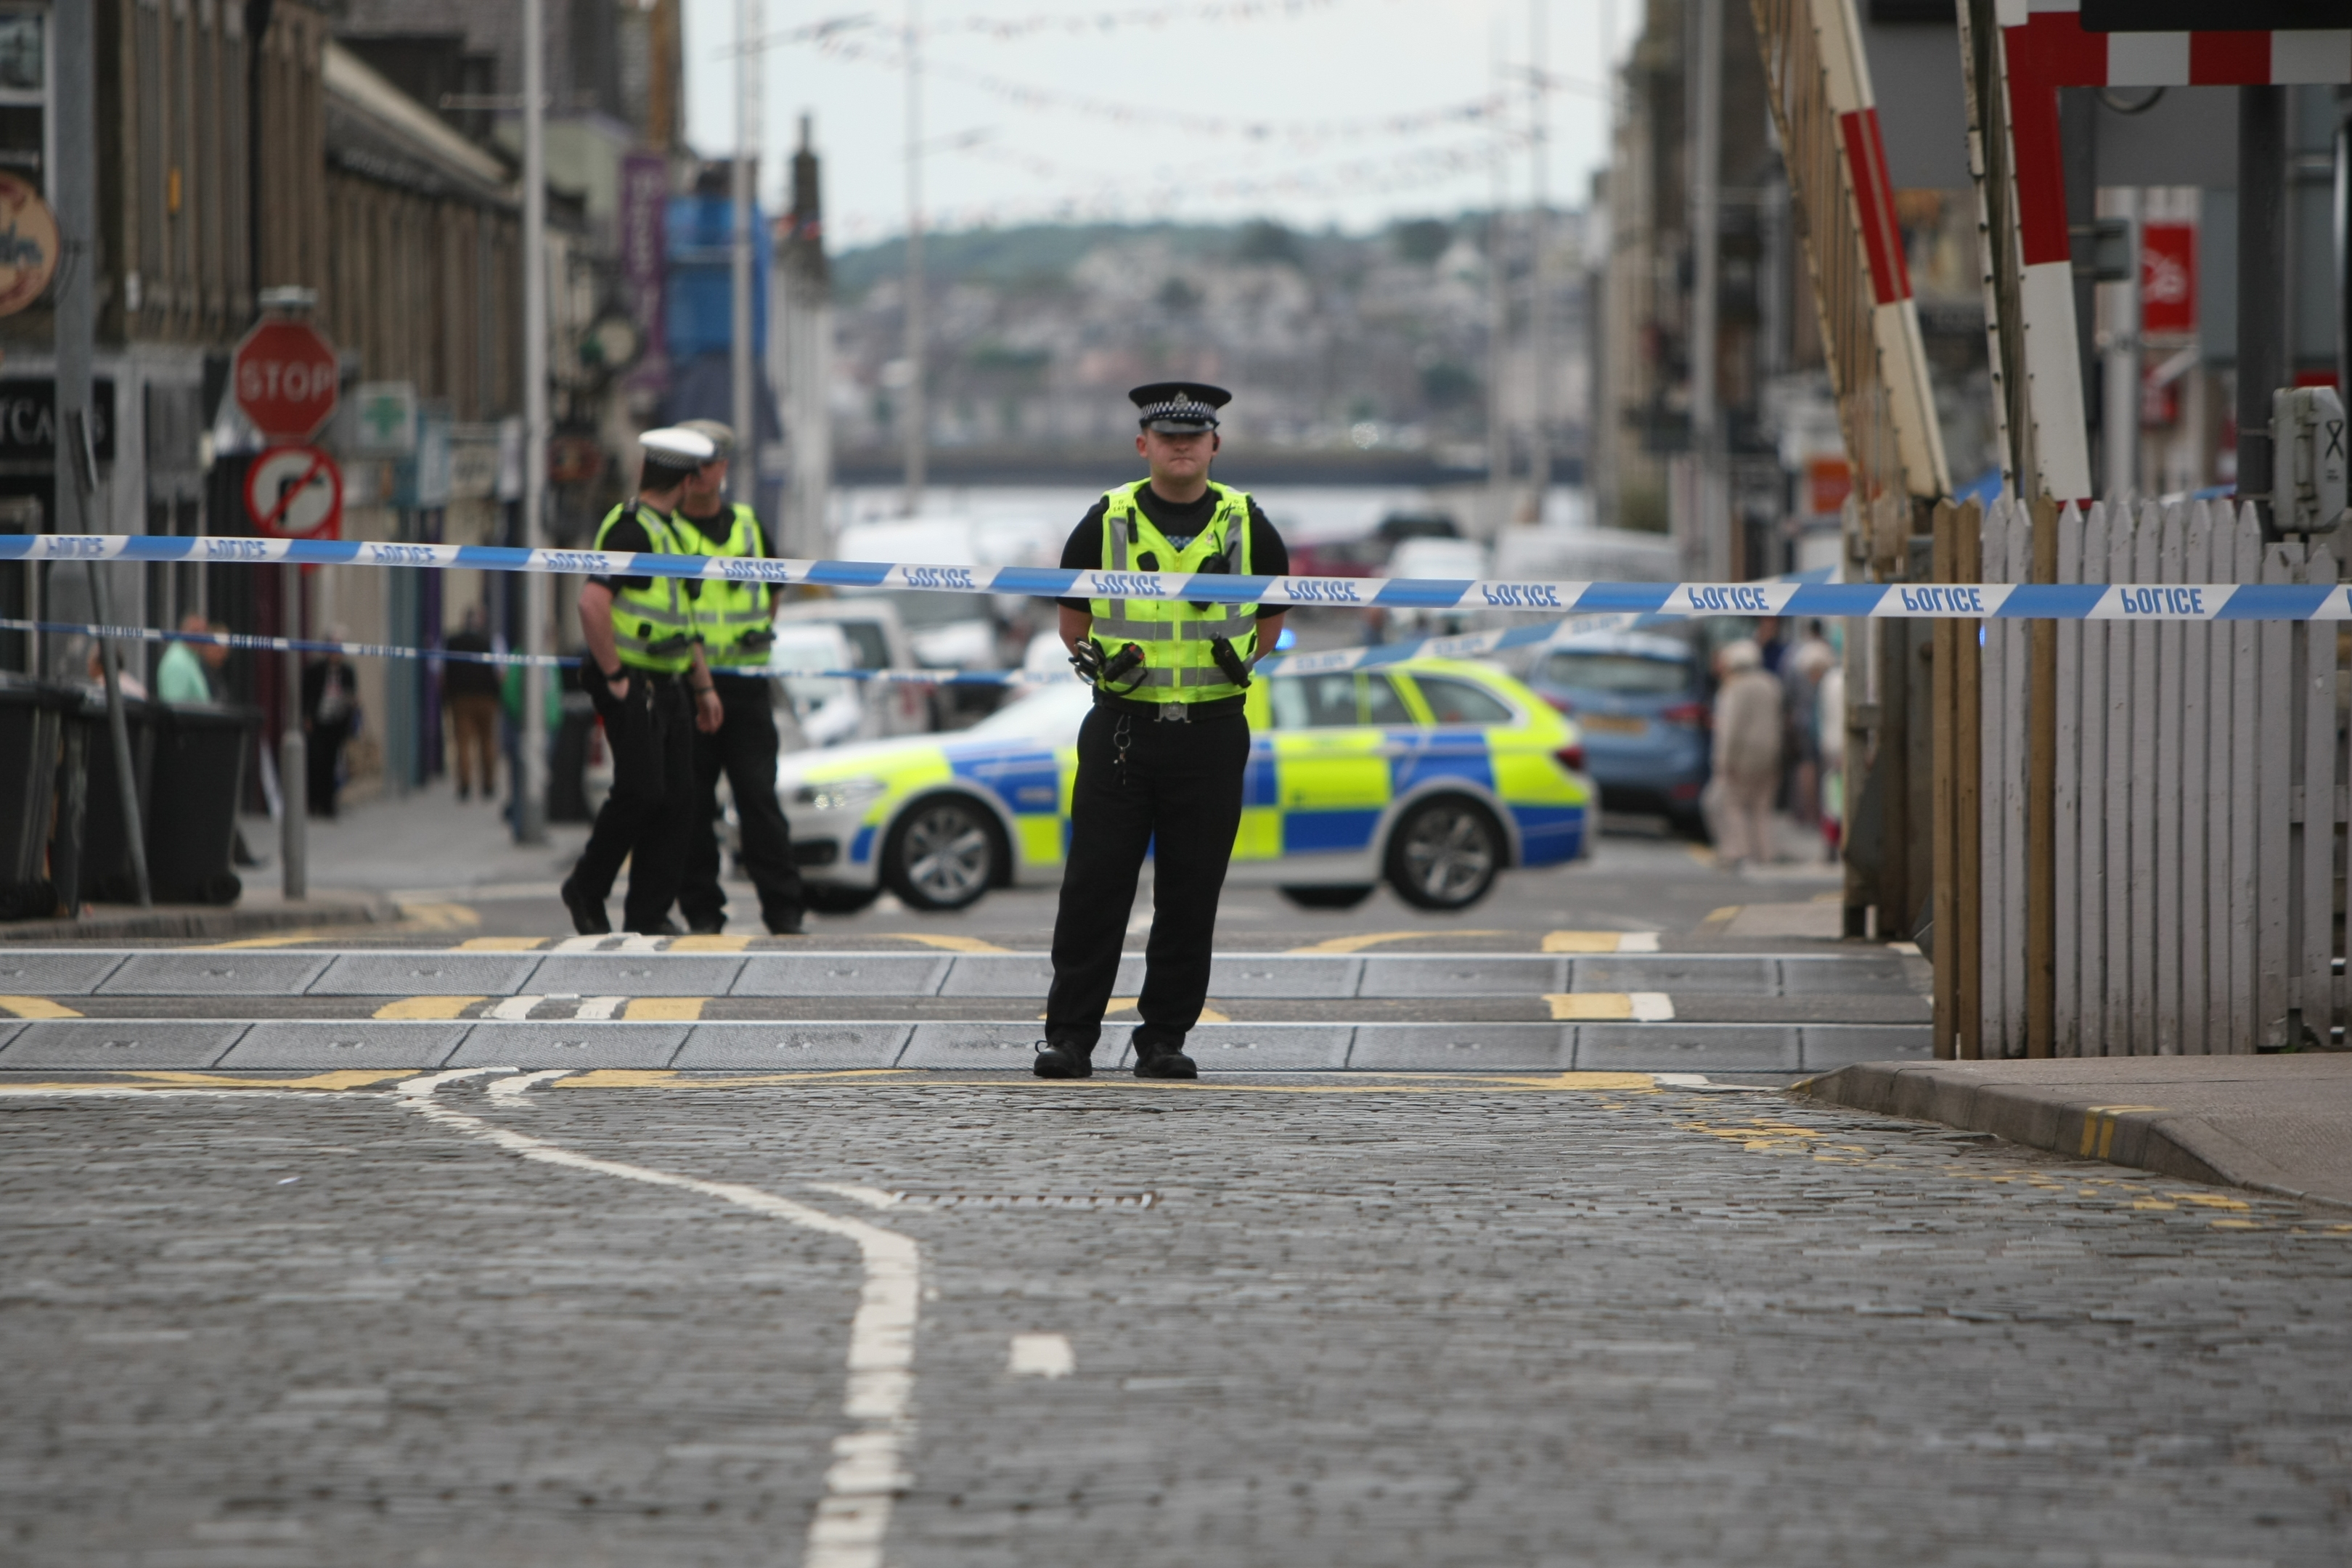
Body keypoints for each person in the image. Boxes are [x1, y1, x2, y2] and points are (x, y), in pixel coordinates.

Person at [1033, 382, 1289, 1082]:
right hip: (1123, 729)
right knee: (1094, 889)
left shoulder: (1246, 523)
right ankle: (1070, 1038)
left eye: (1194, 435)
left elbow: (1272, 621)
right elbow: (1072, 623)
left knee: (1190, 893)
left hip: (1210, 734)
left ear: (1214, 445)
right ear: (1143, 444)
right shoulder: (1106, 520)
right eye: (1167, 435)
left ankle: (1166, 1039)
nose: (1181, 445)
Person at [560, 427, 726, 936]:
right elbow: (592, 603)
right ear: (690, 479)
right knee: (641, 792)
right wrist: (615, 677)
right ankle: (586, 889)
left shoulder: (669, 531)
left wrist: (703, 687)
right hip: (635, 683)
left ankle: (649, 915)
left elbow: (681, 621)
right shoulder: (631, 530)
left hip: (671, 683)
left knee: (679, 800)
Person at [667, 419, 806, 936]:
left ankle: (784, 913)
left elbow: (773, 593)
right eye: (689, 466)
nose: (698, 475)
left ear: (722, 468)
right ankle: (703, 914)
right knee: (693, 806)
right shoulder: (668, 531)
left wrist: (752, 639)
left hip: (746, 688)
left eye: (706, 464)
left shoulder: (750, 526)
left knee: (759, 803)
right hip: (688, 687)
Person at [1709, 637, 1782, 873]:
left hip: (1742, 756)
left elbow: (1730, 729)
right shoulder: (1771, 684)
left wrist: (1724, 760)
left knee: (1733, 804)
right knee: (1762, 809)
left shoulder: (1735, 688)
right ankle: (1765, 854)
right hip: (1770, 755)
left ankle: (1738, 851)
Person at [442, 608, 502, 803]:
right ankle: (488, 784)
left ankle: (465, 785)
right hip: (486, 698)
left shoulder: (452, 642)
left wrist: (446, 696)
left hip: (461, 698)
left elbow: (441, 672)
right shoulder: (491, 641)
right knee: (487, 741)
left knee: (463, 743)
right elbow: (501, 671)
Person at [301, 630, 359, 818]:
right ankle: (313, 803)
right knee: (315, 761)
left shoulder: (347, 672)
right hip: (318, 722)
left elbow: (352, 697)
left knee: (331, 764)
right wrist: (307, 717)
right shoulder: (315, 670)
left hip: (337, 724)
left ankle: (328, 805)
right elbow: (305, 695)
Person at [156, 613, 221, 703]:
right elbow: (175, 706)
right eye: (195, 632)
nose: (200, 638)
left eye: (203, 632)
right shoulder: (178, 662)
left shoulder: (190, 658)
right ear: (182, 631)